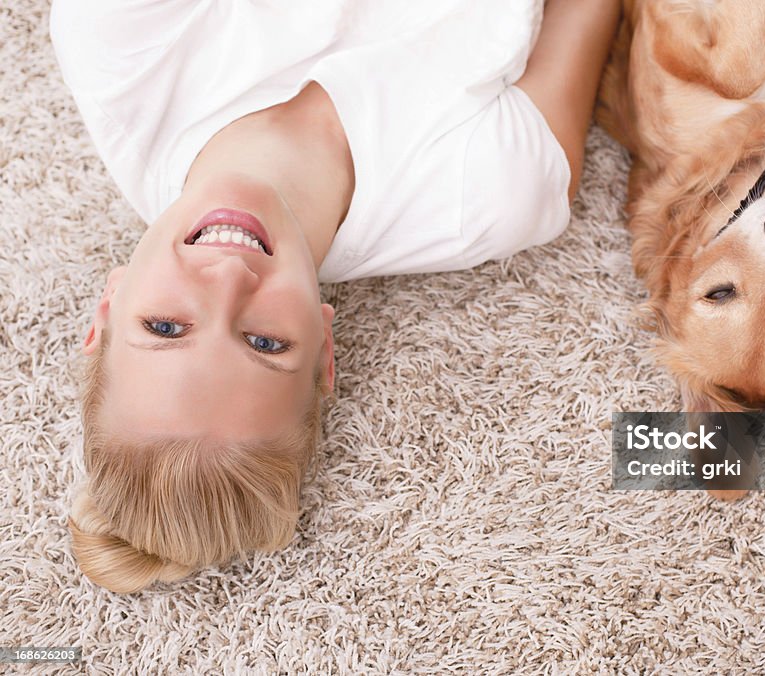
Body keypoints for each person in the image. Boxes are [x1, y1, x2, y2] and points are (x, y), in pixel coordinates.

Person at [50, 0, 621, 592]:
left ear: (107, 308)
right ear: (325, 348)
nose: (226, 279)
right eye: (264, 342)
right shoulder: (487, 194)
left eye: (166, 328)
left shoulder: (116, 46)